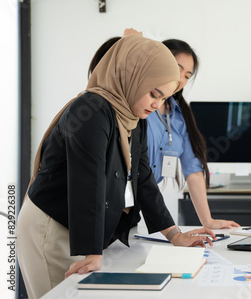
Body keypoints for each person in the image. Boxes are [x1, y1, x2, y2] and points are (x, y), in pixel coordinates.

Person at [17, 35, 216, 299]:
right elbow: (88, 181)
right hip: (53, 226)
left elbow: (142, 177)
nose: (158, 105)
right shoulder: (91, 110)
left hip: (83, 226)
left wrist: (174, 234)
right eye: (154, 94)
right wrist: (92, 250)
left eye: (164, 97)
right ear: (133, 77)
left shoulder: (134, 115)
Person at [89, 29, 239, 229]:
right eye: (178, 68)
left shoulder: (180, 116)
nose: (181, 80)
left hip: (137, 206)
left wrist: (208, 221)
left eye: (188, 75)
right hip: (107, 199)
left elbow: (193, 170)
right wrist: (130, 43)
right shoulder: (135, 104)